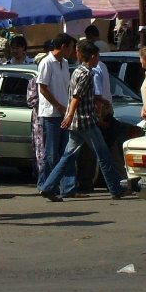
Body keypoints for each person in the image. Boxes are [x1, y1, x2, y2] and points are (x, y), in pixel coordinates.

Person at [37, 40, 129, 202]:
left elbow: (81, 94)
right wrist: (70, 115)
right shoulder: (87, 74)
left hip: (77, 123)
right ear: (92, 57)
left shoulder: (78, 71)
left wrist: (98, 100)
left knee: (68, 156)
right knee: (103, 155)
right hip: (86, 122)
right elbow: (76, 97)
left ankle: (48, 187)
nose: (98, 60)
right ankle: (115, 189)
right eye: (97, 56)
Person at [35, 34, 78, 198]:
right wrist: (58, 105)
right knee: (51, 153)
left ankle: (67, 187)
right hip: (50, 114)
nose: (72, 51)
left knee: (66, 151)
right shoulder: (46, 62)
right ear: (63, 47)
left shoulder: (65, 63)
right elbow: (43, 88)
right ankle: (45, 185)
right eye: (71, 47)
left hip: (64, 113)